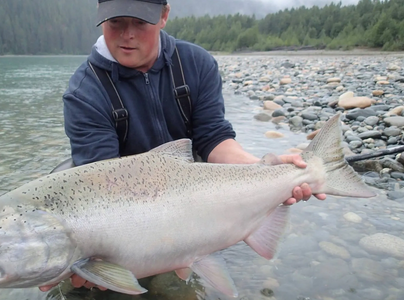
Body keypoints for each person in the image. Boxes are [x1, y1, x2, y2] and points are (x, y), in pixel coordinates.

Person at [39, 0, 327, 293]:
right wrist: (96, 258)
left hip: (192, 183)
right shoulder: (84, 92)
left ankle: (196, 248)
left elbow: (214, 138)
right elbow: (99, 181)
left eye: (140, 22)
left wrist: (265, 171)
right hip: (124, 201)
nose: (127, 34)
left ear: (164, 16)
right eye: (116, 22)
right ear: (101, 19)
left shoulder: (196, 63)